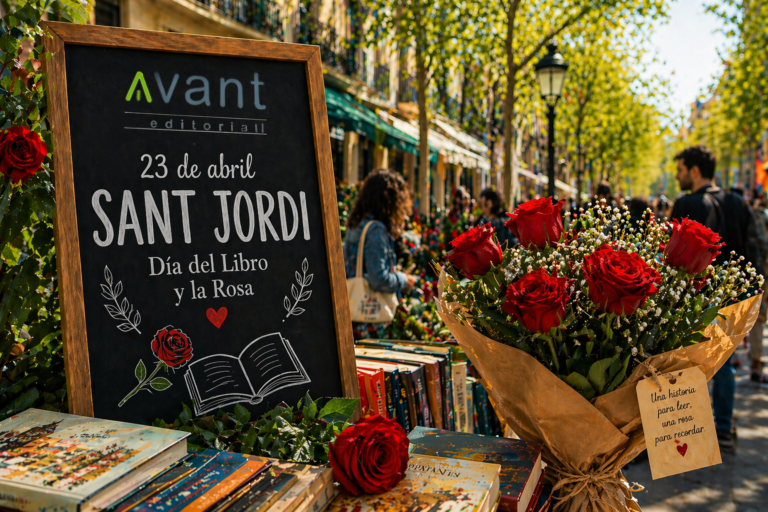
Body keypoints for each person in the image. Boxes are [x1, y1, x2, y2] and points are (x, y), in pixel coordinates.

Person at [670, 145, 762, 453]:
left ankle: (684, 431)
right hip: (733, 294)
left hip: (694, 294)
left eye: (681, 169)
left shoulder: (685, 203)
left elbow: (671, 252)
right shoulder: (737, 202)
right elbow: (754, 248)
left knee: (684, 361)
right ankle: (722, 429)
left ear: (694, 171)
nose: (678, 175)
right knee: (725, 363)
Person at [343, 169, 418, 336]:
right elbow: (379, 278)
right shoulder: (376, 229)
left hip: (354, 312)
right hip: (369, 322)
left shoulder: (357, 224)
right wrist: (404, 279)